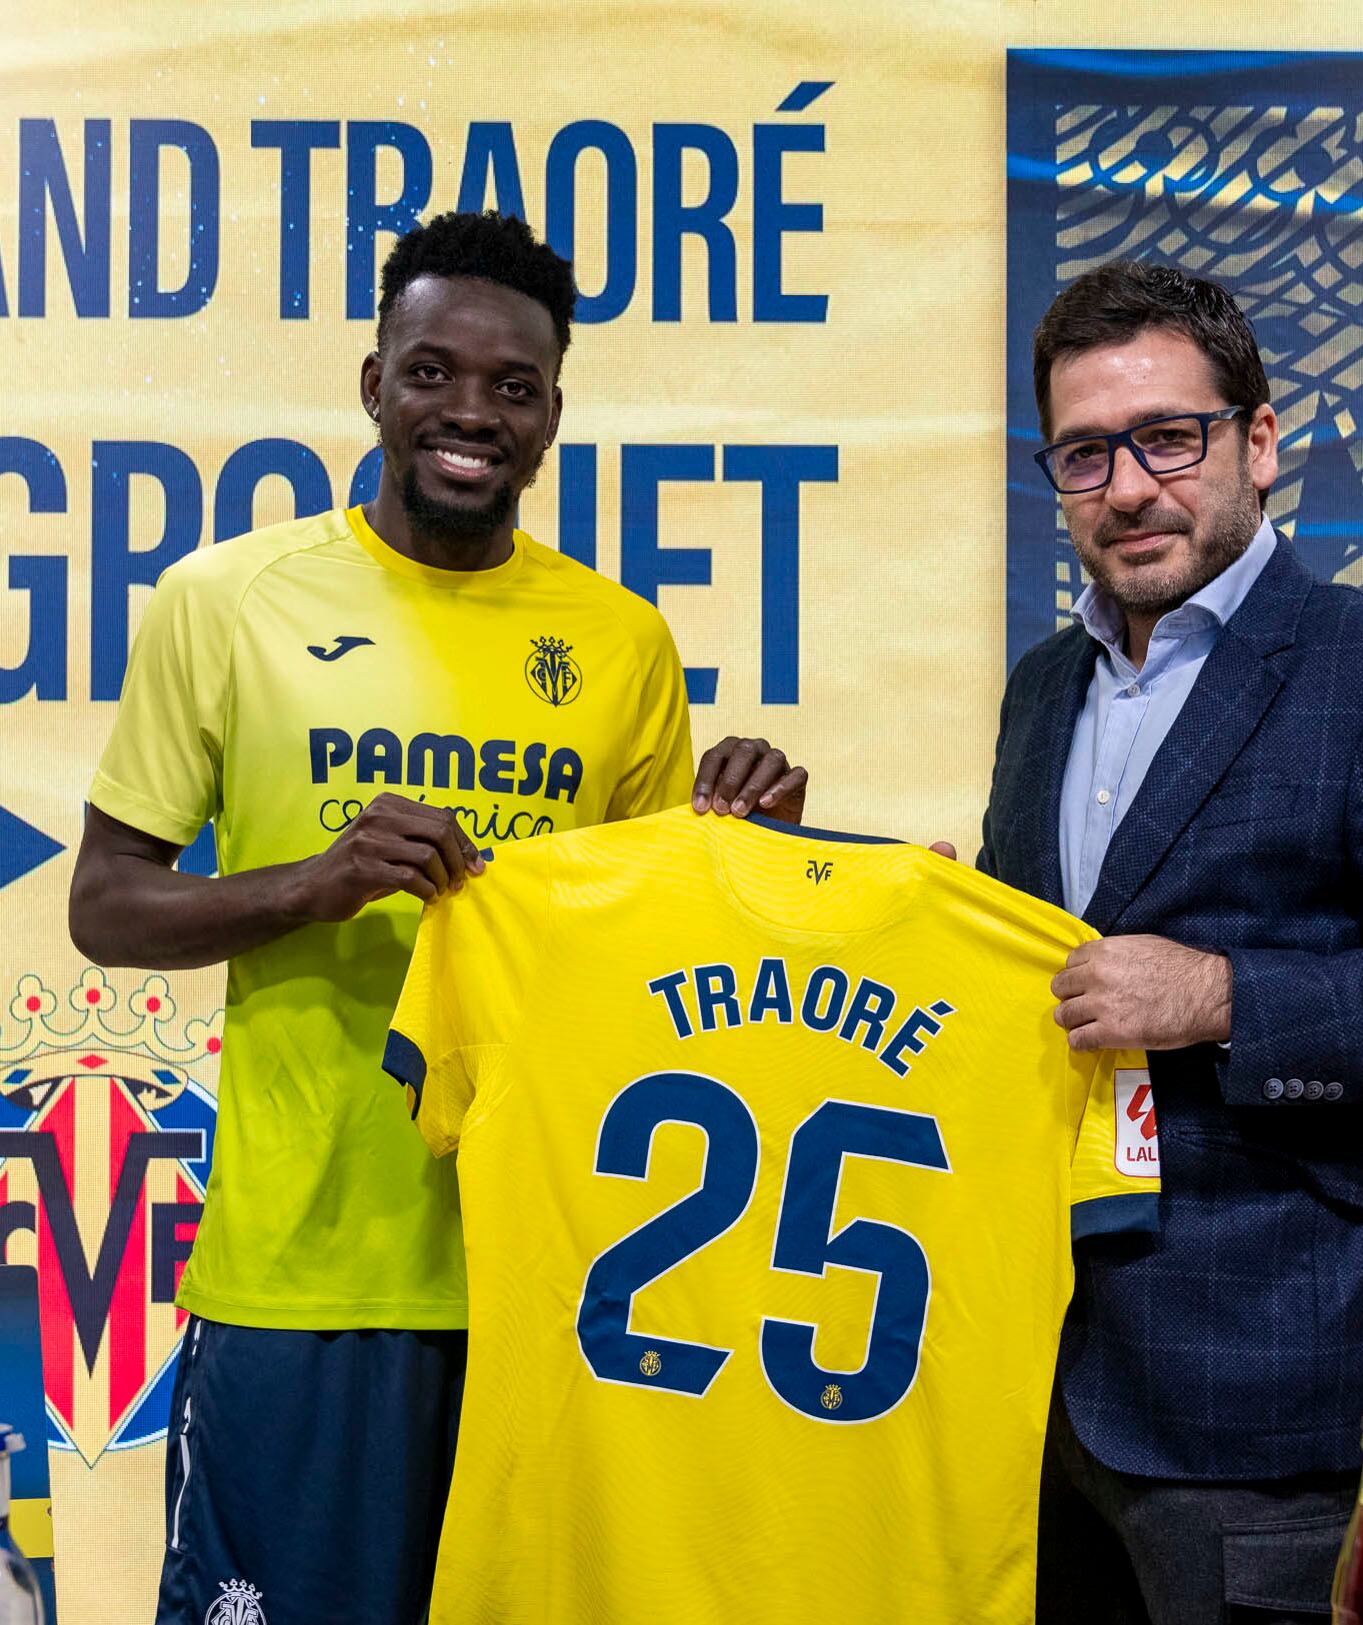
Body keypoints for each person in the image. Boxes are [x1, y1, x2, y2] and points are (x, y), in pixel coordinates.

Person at [68, 210, 809, 1625]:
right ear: (373, 385)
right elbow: (105, 905)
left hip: (562, 1278)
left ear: (550, 416)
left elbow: (661, 968)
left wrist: (743, 857)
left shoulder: (619, 642)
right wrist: (315, 881)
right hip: (305, 1275)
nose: (469, 410)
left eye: (510, 385)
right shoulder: (226, 602)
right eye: (431, 372)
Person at [977, 260, 1363, 1623]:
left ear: (1258, 441)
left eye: (1167, 438)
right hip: (1040, 1380)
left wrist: (1224, 995)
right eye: (1084, 454)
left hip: (1264, 1389)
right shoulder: (1043, 685)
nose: (1128, 485)